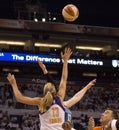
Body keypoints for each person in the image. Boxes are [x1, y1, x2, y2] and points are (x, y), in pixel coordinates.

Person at [7, 47, 72, 130]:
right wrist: (65, 61)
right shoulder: (60, 98)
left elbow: (19, 98)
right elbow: (64, 78)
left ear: (44, 91)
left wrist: (13, 84)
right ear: (55, 91)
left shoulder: (41, 102)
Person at [38, 55, 96, 130]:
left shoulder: (63, 104)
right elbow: (63, 80)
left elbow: (76, 97)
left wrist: (87, 87)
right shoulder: (48, 105)